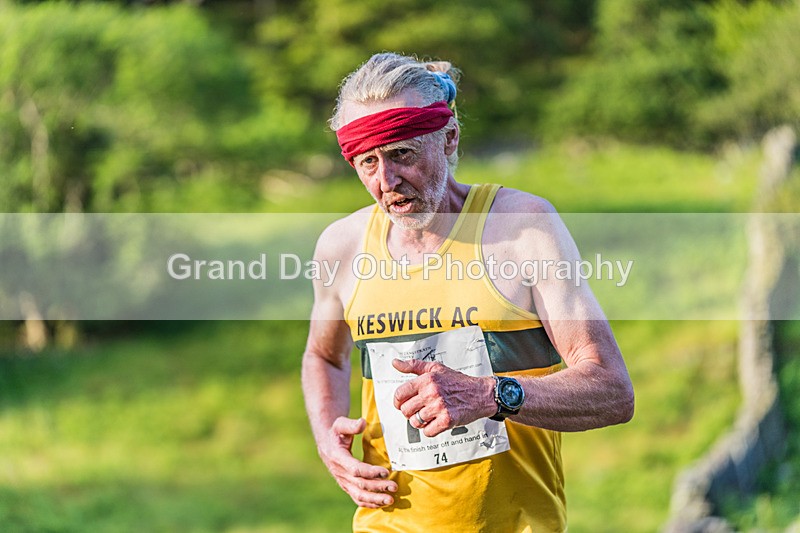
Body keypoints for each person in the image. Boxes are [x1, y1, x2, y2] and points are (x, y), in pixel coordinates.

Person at [301, 52, 634, 532]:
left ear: (450, 136)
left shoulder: (522, 228)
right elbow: (324, 357)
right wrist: (327, 438)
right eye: (367, 161)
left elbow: (612, 391)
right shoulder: (342, 246)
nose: (385, 182)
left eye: (402, 154)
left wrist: (488, 395)